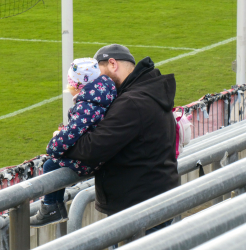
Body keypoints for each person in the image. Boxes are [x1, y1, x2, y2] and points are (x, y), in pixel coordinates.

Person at [64, 45, 179, 228]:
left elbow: (92, 148)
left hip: (138, 208)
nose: (95, 83)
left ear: (112, 64)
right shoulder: (147, 90)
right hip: (151, 200)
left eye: (98, 74)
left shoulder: (131, 102)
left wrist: (63, 140)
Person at [30, 58, 117, 228]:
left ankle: (52, 208)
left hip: (91, 158)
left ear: (78, 86)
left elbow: (72, 133)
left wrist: (53, 146)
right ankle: (55, 207)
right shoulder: (105, 92)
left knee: (50, 165)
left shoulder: (87, 104)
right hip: (101, 152)